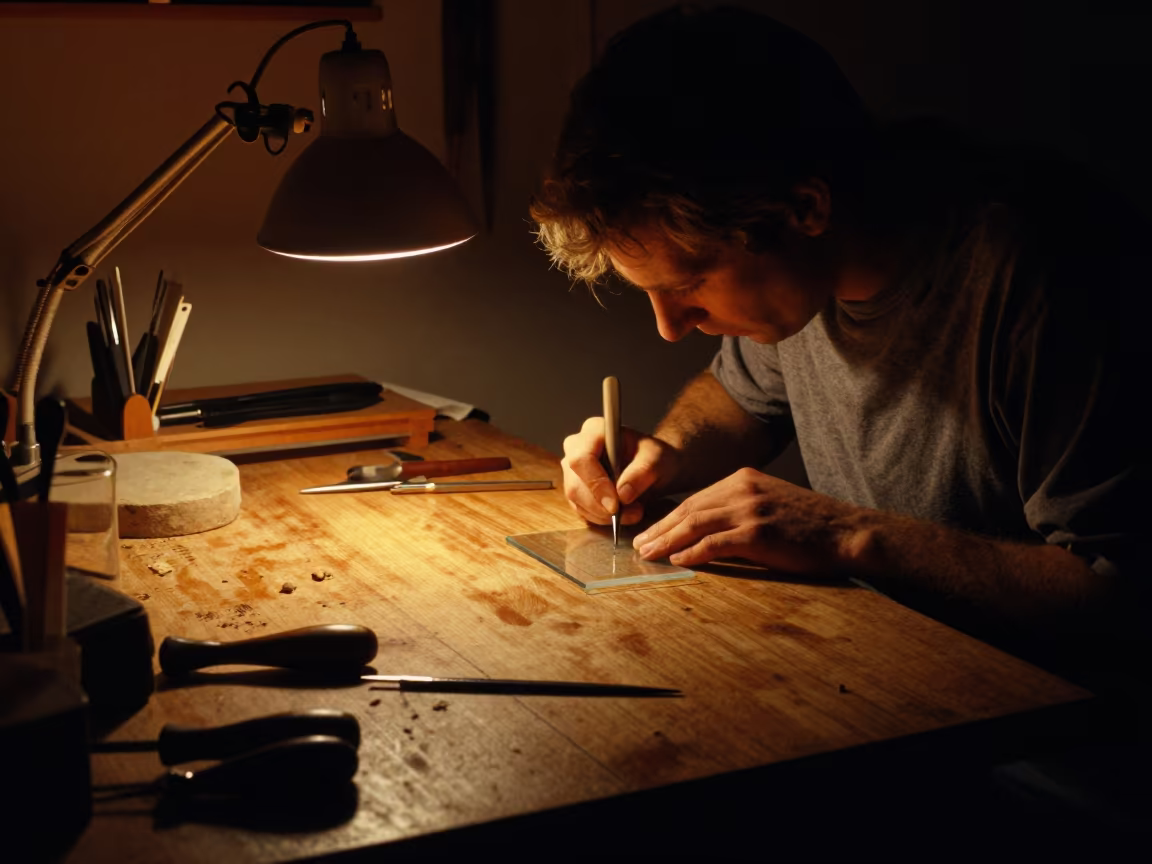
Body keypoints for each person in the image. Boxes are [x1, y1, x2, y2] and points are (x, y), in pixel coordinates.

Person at [529, 5, 1147, 679]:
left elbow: (1119, 597)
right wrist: (663, 455)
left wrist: (846, 536)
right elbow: (740, 398)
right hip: (891, 683)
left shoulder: (1046, 275)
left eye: (690, 284)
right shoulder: (806, 276)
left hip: (1062, 744)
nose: (670, 327)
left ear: (806, 209)